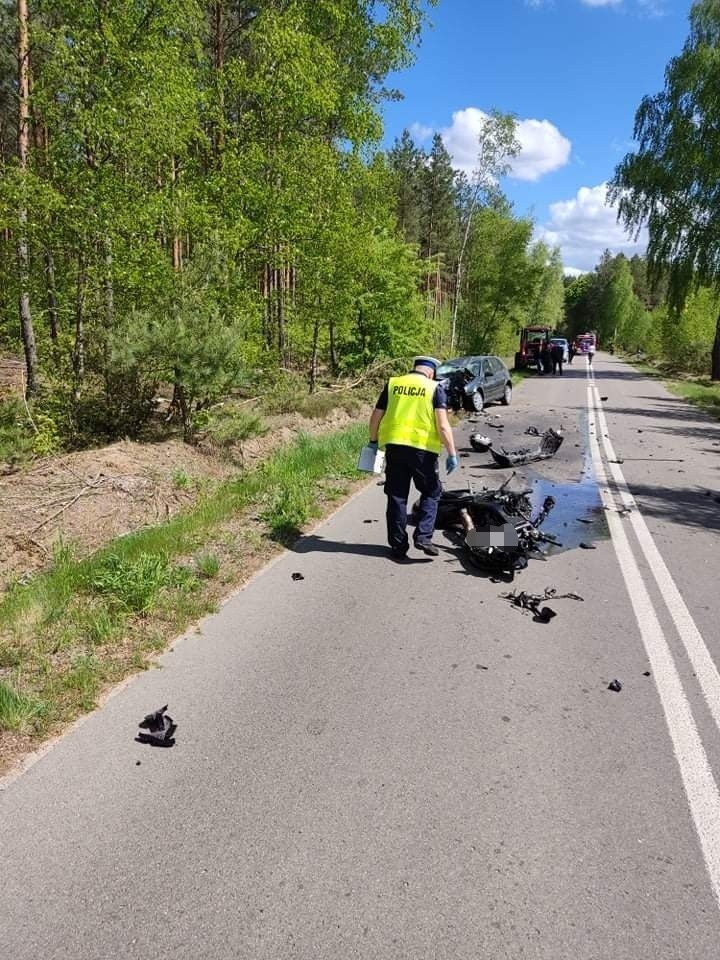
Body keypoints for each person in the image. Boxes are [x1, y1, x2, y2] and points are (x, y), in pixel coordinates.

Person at [368, 356, 458, 560]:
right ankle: (424, 537)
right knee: (432, 491)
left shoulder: (393, 384)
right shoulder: (434, 388)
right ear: (431, 372)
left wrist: (373, 441)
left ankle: (398, 547)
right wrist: (452, 453)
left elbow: (376, 415)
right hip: (422, 451)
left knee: (397, 497)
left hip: (395, 447)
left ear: (415, 368)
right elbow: (443, 425)